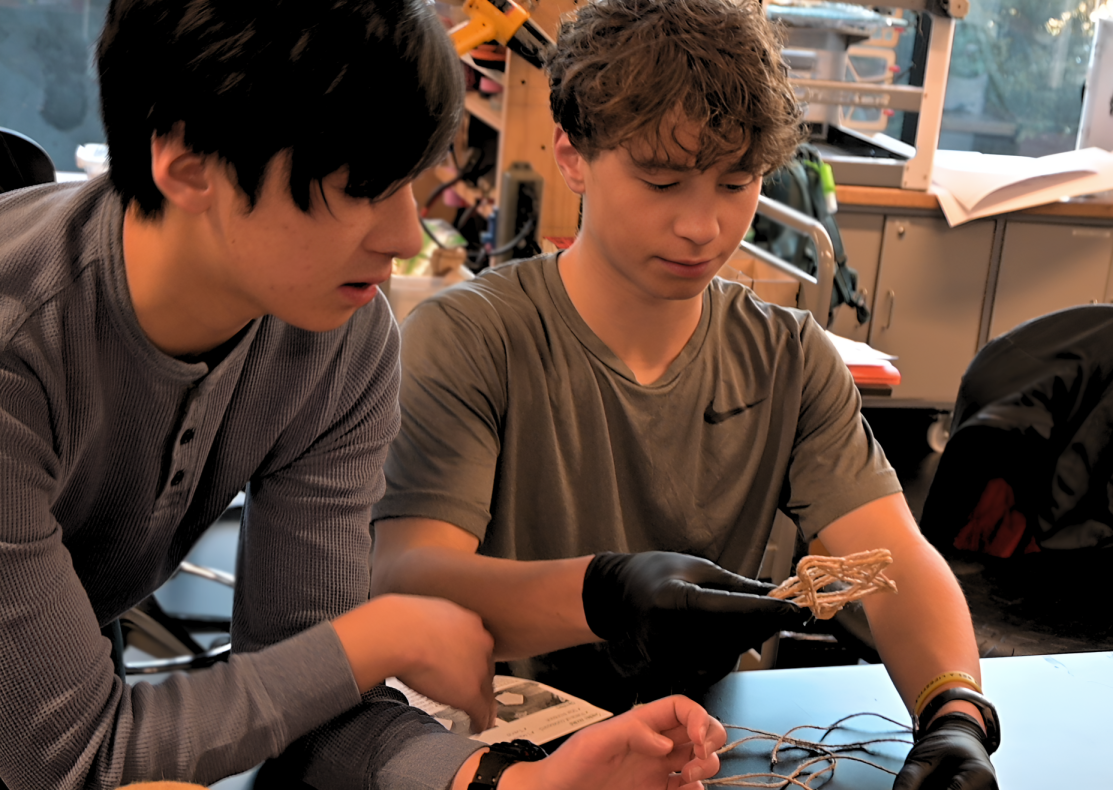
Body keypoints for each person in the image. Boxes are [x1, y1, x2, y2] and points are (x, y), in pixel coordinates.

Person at [0, 0, 728, 788]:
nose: (406, 236)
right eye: (360, 186)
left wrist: (512, 782)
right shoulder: (19, 346)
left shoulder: (335, 337)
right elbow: (75, 755)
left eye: (411, 181)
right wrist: (374, 639)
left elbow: (312, 702)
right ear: (186, 163)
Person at [370, 0, 1001, 787]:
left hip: (700, 759)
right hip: (498, 761)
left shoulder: (789, 359)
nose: (703, 226)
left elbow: (893, 558)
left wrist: (957, 716)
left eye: (737, 183)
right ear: (572, 155)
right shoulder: (472, 340)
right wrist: (602, 594)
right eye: (661, 180)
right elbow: (406, 580)